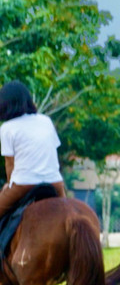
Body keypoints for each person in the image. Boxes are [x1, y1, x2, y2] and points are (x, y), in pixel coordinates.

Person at [0, 81, 67, 224]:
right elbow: (53, 151)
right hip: (55, 182)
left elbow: (10, 164)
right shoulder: (45, 120)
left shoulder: (7, 128)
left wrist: (9, 185)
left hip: (24, 183)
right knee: (68, 212)